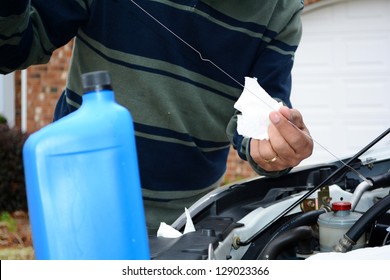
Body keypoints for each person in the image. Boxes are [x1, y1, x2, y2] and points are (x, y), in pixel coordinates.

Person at [0, 0, 313, 234]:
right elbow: (15, 47)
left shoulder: (279, 9)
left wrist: (275, 147)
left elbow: (258, 122)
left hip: (183, 230)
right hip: (75, 214)